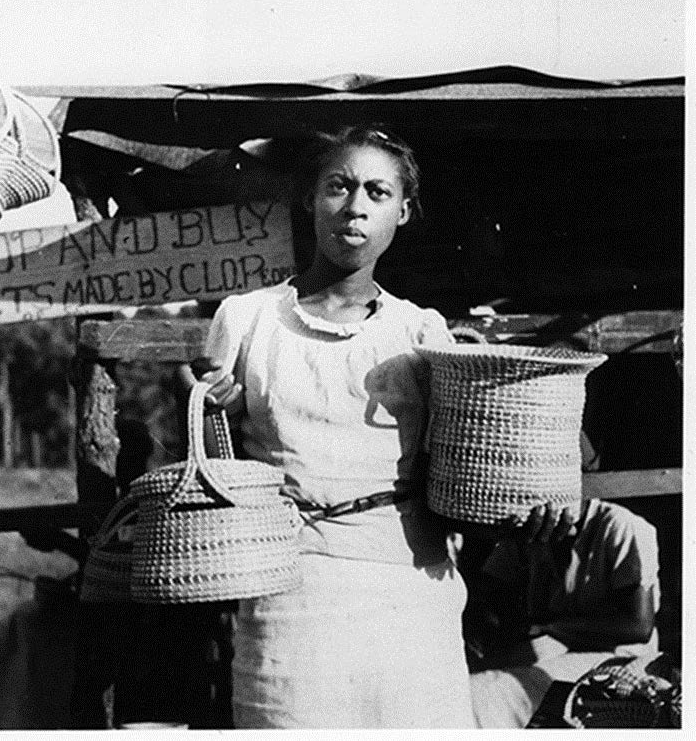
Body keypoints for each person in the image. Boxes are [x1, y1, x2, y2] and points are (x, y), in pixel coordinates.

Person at [181, 125, 571, 728]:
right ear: (309, 198)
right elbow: (216, 472)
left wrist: (521, 513)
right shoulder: (247, 319)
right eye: (338, 186)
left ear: (403, 212)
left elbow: (459, 483)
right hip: (290, 592)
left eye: (377, 192)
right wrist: (217, 417)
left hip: (409, 590)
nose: (355, 206)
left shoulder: (419, 333)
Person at [460, 497, 660, 728]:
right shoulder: (531, 524)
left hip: (617, 660)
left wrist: (550, 628)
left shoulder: (618, 524)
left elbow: (638, 626)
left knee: (488, 691)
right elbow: (489, 596)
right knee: (462, 679)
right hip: (553, 647)